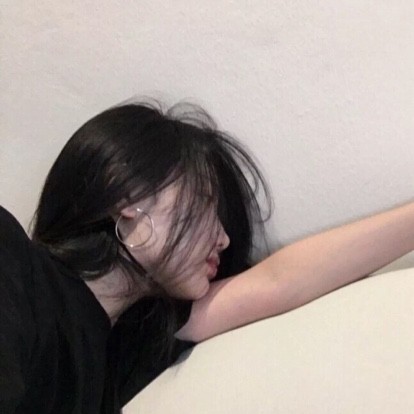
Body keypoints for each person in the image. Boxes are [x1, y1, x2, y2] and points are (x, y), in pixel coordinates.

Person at [1, 101, 413, 413]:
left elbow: (278, 282)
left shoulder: (126, 349)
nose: (225, 239)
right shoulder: (12, 261)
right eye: (204, 202)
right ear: (127, 196)